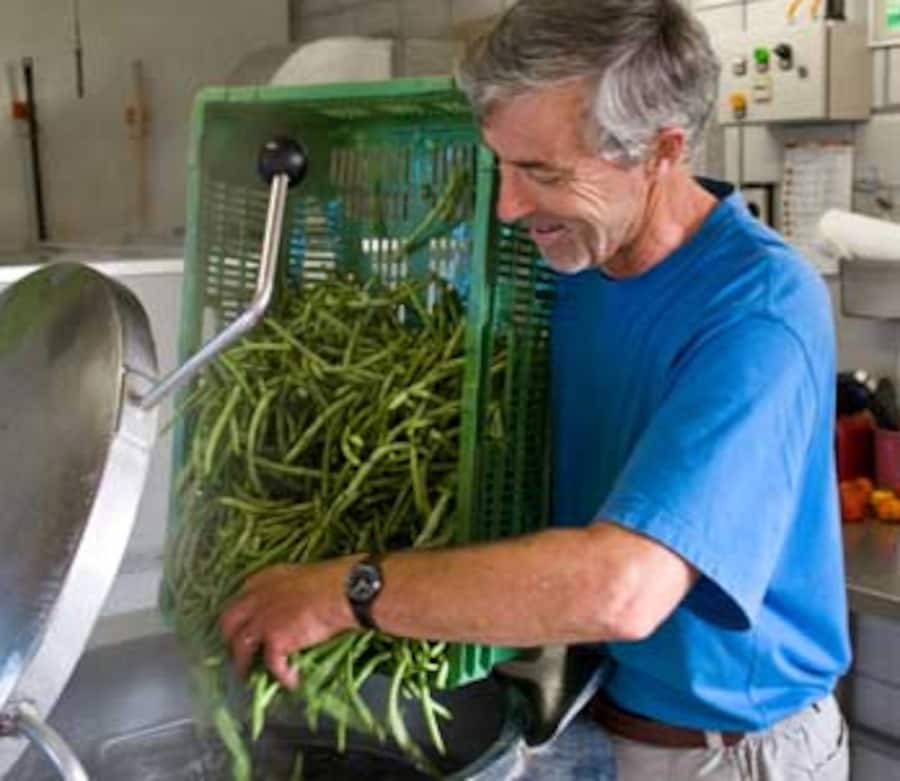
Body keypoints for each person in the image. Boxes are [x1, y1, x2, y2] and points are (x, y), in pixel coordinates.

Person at [220, 1, 852, 777]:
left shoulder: (758, 308)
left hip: (729, 753)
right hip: (578, 710)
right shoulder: (560, 266)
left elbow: (625, 588)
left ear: (661, 150)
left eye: (543, 172)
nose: (508, 206)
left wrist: (345, 591)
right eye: (500, 165)